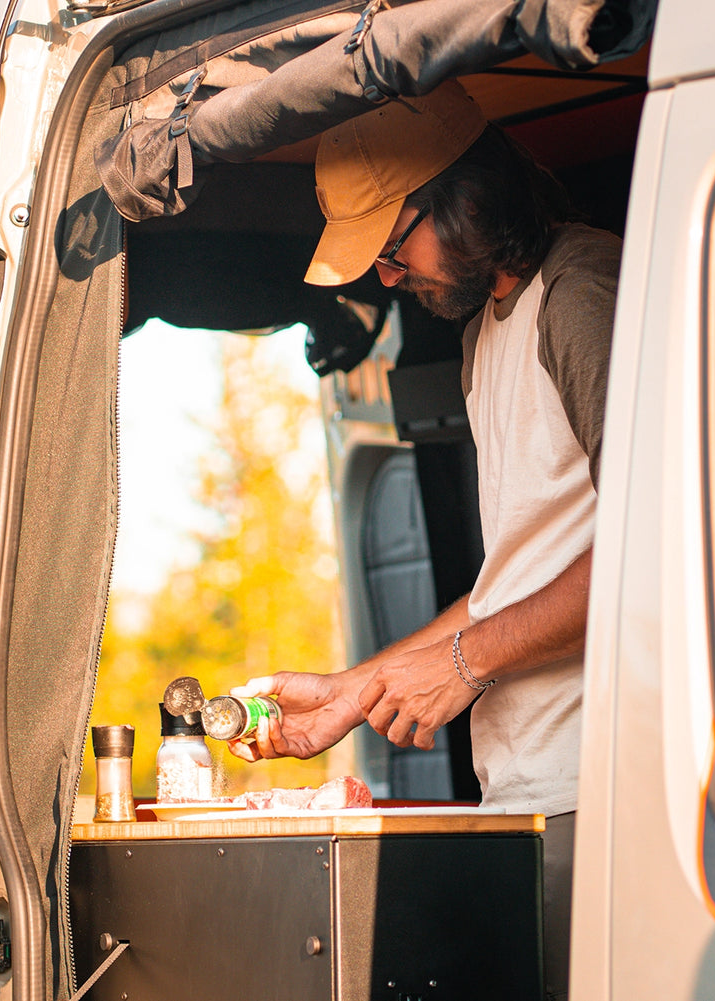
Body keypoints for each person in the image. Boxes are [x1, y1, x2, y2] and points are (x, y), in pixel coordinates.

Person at [228, 79, 618, 1001]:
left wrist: (469, 662)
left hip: (604, 792)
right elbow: (511, 583)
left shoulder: (580, 295)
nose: (387, 278)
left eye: (394, 247)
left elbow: (658, 545)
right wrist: (351, 696)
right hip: (529, 793)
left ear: (466, 200)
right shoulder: (491, 331)